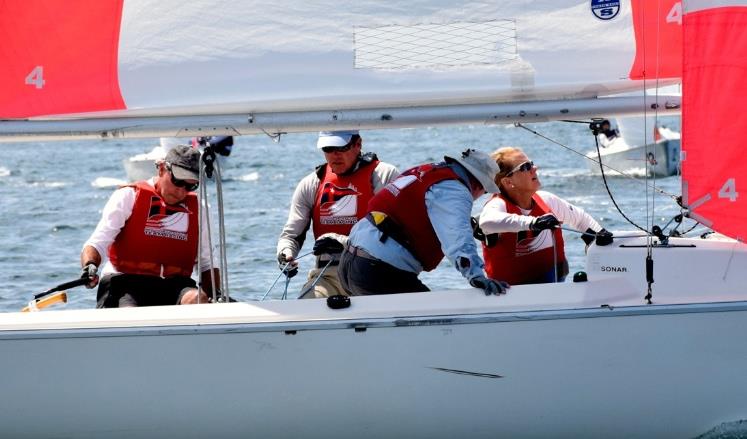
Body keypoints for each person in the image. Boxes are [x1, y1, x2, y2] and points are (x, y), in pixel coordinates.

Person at [338, 149, 509, 296]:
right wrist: (476, 275)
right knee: (435, 325)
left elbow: (410, 211)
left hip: (350, 263)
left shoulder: (426, 172)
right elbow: (457, 236)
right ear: (479, 184)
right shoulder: (454, 189)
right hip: (377, 270)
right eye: (485, 191)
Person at [80, 145, 221, 308]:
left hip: (175, 286)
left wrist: (216, 297)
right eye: (177, 181)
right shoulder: (128, 196)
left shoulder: (200, 208)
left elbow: (207, 261)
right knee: (133, 316)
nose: (181, 191)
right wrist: (90, 266)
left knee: (199, 300)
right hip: (125, 284)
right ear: (161, 169)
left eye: (190, 186)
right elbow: (98, 242)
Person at [276, 130, 399, 298]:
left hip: (375, 273)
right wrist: (285, 254)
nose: (335, 155)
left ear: (358, 144)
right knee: (305, 305)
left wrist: (343, 242)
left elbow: (396, 233)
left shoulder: (384, 175)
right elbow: (291, 235)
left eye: (341, 148)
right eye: (328, 149)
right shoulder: (310, 184)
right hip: (328, 277)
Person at [476, 146, 613, 285]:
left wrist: (599, 236)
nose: (535, 168)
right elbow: (486, 223)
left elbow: (582, 221)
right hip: (511, 294)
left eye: (532, 163)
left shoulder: (547, 200)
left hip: (553, 286)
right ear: (508, 182)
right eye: (525, 167)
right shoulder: (497, 205)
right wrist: (534, 223)